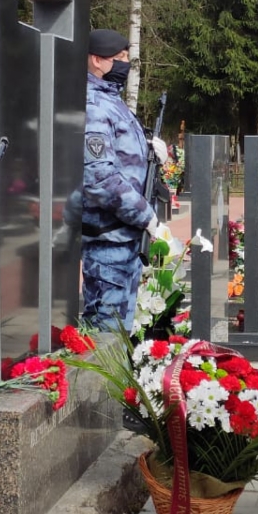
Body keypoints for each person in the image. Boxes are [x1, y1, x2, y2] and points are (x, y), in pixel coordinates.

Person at [76, 27, 167, 331]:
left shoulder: (111, 101)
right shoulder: (92, 105)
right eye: (120, 58)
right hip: (108, 242)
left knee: (121, 333)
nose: (126, 64)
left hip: (125, 238)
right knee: (106, 336)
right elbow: (99, 177)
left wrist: (153, 152)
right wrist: (146, 216)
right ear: (97, 61)